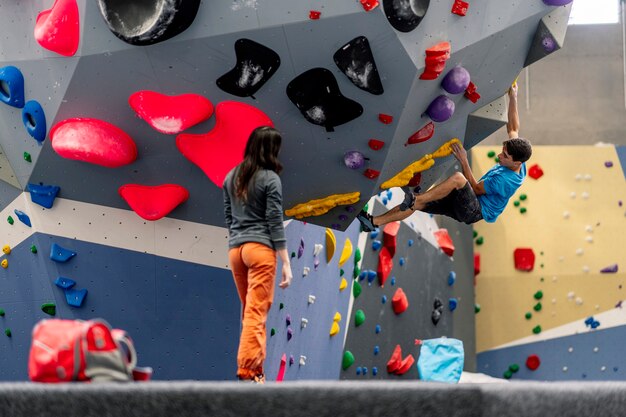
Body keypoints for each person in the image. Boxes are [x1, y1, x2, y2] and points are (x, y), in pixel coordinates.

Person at [357, 83, 531, 231]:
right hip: (470, 200)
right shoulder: (517, 159)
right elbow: (513, 129)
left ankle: (417, 199)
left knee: (458, 179)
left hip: (474, 209)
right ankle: (373, 222)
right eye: (502, 150)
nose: (500, 156)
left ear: (516, 162)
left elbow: (476, 188)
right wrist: (513, 97)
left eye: (505, 156)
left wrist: (463, 160)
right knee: (417, 205)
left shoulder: (505, 181)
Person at [223, 126, 292, 384]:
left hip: (236, 251)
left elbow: (229, 218)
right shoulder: (270, 178)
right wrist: (286, 261)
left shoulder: (232, 177)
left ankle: (256, 370)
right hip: (260, 250)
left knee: (250, 313)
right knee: (256, 313)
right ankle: (248, 372)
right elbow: (274, 220)